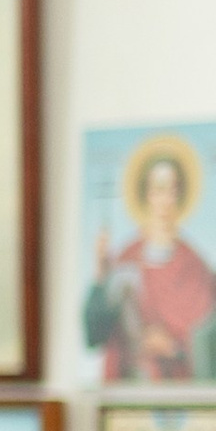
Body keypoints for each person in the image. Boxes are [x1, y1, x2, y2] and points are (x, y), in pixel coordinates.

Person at [84, 139, 216, 388]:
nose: (165, 199)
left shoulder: (196, 265)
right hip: (133, 389)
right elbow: (95, 335)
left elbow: (210, 336)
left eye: (172, 189)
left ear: (180, 194)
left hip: (184, 390)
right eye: (158, 189)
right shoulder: (126, 258)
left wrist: (175, 347)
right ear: (146, 194)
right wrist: (100, 277)